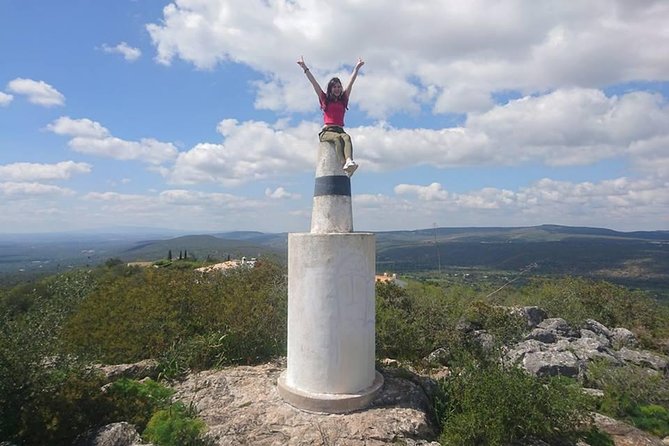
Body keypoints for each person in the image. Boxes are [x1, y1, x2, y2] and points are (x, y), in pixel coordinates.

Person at [297, 56, 364, 177]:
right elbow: (314, 83)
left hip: (339, 129)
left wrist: (357, 68)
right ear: (330, 88)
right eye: (335, 87)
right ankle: (344, 164)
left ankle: (349, 160)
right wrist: (304, 67)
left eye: (339, 87)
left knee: (346, 137)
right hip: (327, 131)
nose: (337, 89)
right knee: (337, 139)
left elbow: (351, 82)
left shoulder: (343, 100)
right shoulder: (325, 99)